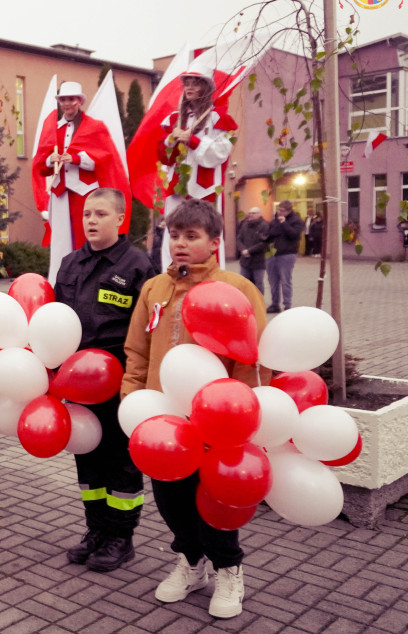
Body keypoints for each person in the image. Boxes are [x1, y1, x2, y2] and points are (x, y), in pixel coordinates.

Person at [122, 200, 270, 619]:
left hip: (217, 423)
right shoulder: (154, 289)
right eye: (175, 235)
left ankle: (228, 568)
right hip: (162, 421)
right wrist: (131, 399)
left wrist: (243, 419)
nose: (180, 244)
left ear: (214, 242)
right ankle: (191, 562)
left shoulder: (237, 291)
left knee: (216, 502)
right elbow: (137, 350)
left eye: (191, 236)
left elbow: (252, 360)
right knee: (171, 500)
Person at [53, 188, 154, 572]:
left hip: (119, 381)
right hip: (77, 380)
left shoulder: (137, 266)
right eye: (86, 215)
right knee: (87, 457)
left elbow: (146, 330)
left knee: (122, 462)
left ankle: (121, 537)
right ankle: (95, 530)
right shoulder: (70, 263)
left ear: (119, 219)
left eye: (99, 214)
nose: (90, 221)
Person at [32, 81, 131, 281]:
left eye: (71, 99)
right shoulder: (52, 128)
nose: (67, 103)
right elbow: (40, 164)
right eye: (63, 100)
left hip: (86, 194)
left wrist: (75, 158)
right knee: (60, 242)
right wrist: (51, 159)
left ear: (79, 101)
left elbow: (104, 158)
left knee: (85, 238)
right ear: (59, 102)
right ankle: (59, 282)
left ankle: (89, 280)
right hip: (60, 194)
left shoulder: (95, 127)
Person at [156, 62, 237, 271]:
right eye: (187, 83)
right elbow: (164, 157)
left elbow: (221, 152)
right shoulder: (174, 119)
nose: (190, 88)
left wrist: (193, 140)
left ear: (206, 88)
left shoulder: (218, 117)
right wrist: (170, 141)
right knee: (172, 235)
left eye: (196, 83)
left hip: (204, 190)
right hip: (176, 189)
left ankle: (210, 284)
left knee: (204, 234)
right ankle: (171, 280)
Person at [266, 200, 304, 313]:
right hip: (272, 254)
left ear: (289, 211)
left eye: (282, 211)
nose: (279, 212)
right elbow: (271, 234)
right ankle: (275, 304)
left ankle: (287, 305)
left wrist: (284, 223)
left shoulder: (296, 221)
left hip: (287, 254)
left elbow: (293, 235)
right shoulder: (275, 220)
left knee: (285, 280)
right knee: (273, 281)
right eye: (278, 210)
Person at [235, 207, 269, 294]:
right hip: (245, 261)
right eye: (249, 213)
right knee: (244, 283)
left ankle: (259, 303)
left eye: (253, 213)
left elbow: (263, 243)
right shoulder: (245, 225)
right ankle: (246, 303)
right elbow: (239, 239)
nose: (250, 215)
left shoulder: (264, 226)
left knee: (258, 284)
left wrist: (249, 251)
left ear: (259, 214)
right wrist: (243, 250)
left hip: (258, 261)